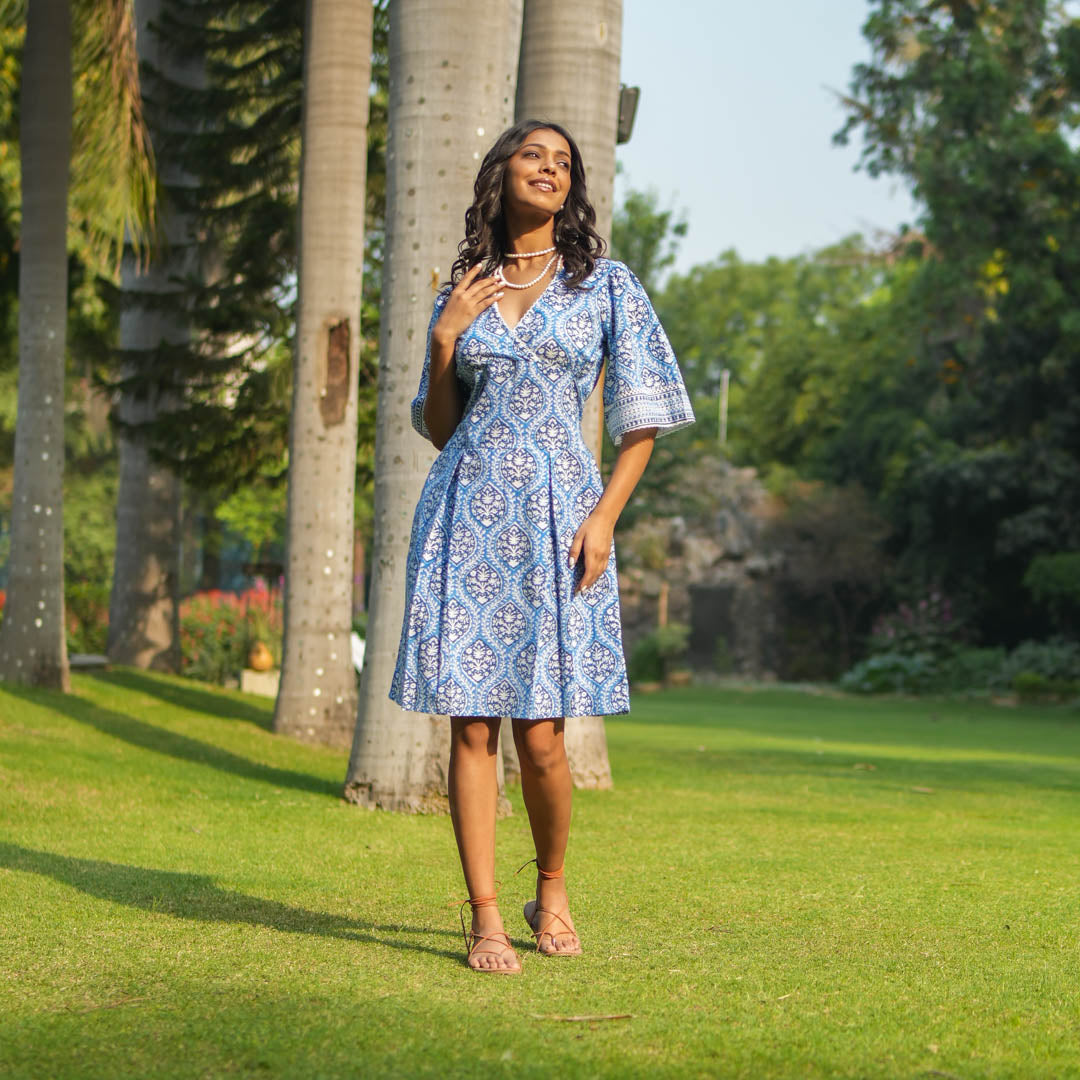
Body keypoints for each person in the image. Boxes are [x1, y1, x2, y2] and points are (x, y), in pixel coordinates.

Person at [389, 120, 695, 973]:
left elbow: (643, 420)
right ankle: (486, 916)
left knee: (545, 738)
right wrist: (448, 336)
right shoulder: (468, 288)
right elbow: (442, 429)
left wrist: (605, 518)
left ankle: (550, 887)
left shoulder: (606, 285)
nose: (553, 169)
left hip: (562, 520)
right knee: (473, 726)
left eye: (565, 163)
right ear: (503, 175)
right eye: (536, 156)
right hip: (467, 516)